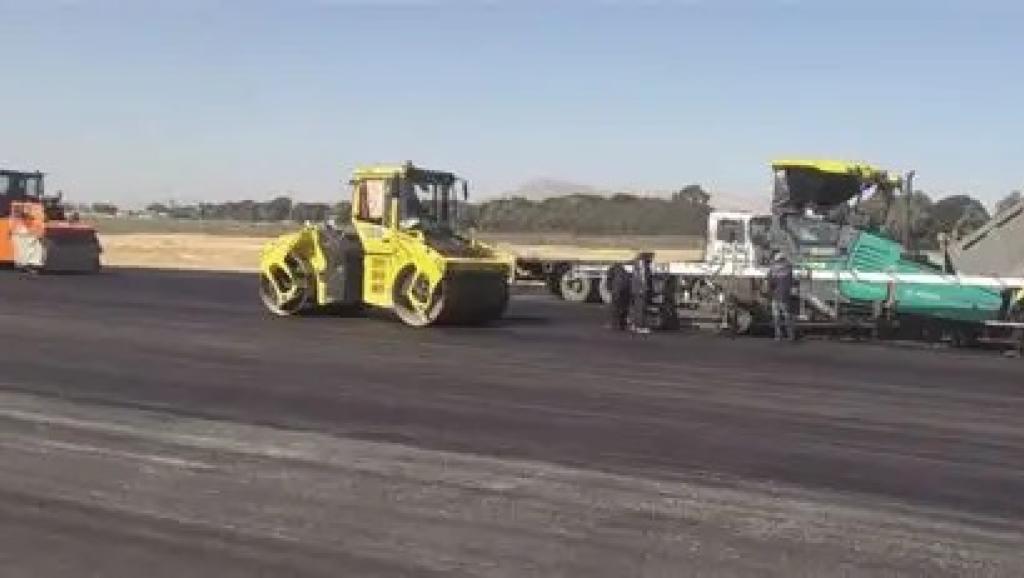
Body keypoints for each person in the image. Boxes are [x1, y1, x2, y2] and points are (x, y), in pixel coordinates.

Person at [767, 251, 796, 341]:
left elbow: (770, 282)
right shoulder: (789, 269)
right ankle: (790, 335)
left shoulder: (773, 269)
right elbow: (791, 281)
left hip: (776, 295)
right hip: (785, 295)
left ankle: (778, 335)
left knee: (776, 316)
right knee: (787, 315)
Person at [630, 252, 655, 334]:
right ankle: (640, 326)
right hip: (640, 290)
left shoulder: (637, 264)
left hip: (637, 290)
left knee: (637, 308)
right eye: (651, 258)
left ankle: (635, 324)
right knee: (641, 309)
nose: (652, 259)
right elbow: (642, 278)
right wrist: (643, 288)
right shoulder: (642, 266)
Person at [605, 262, 631, 331]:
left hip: (618, 292)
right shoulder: (624, 273)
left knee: (616, 309)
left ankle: (615, 325)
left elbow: (612, 282)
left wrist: (612, 291)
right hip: (625, 293)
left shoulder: (614, 272)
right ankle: (622, 325)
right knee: (624, 309)